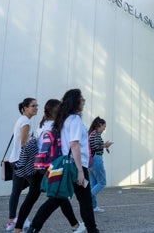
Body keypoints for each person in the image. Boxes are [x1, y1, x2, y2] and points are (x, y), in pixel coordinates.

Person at [27, 89, 99, 233]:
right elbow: (74, 144)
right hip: (76, 165)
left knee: (57, 200)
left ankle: (34, 228)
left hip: (66, 164)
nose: (84, 102)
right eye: (82, 99)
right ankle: (92, 230)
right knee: (84, 201)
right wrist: (80, 171)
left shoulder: (63, 120)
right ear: (76, 102)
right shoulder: (75, 120)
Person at [14, 99, 85, 233]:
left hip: (38, 166)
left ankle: (17, 229)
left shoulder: (42, 125)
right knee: (59, 196)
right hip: (52, 167)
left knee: (33, 199)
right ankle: (37, 228)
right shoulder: (57, 126)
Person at [6, 98, 38, 231]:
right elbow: (24, 144)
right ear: (25, 108)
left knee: (16, 191)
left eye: (37, 106)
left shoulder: (22, 120)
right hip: (22, 161)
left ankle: (12, 220)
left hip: (15, 160)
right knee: (37, 186)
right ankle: (18, 219)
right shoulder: (25, 122)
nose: (36, 108)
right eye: (33, 106)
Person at [88, 117, 113, 212]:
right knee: (102, 182)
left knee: (93, 183)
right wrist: (104, 146)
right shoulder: (95, 134)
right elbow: (94, 147)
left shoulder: (91, 134)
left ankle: (93, 206)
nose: (104, 129)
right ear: (99, 125)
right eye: (104, 126)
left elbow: (93, 146)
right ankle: (87, 198)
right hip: (96, 159)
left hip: (91, 161)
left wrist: (104, 146)